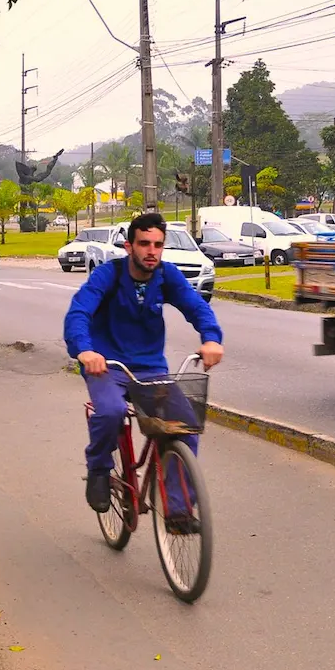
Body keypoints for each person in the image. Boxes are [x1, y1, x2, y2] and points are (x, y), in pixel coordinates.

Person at [63, 213, 224, 531]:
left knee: (183, 426)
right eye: (144, 244)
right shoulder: (109, 275)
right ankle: (98, 470)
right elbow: (79, 310)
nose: (152, 251)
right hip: (106, 365)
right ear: (129, 246)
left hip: (151, 369)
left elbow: (196, 306)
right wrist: (85, 350)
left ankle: (177, 512)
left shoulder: (166, 276)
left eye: (158, 245)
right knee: (110, 411)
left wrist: (211, 339)